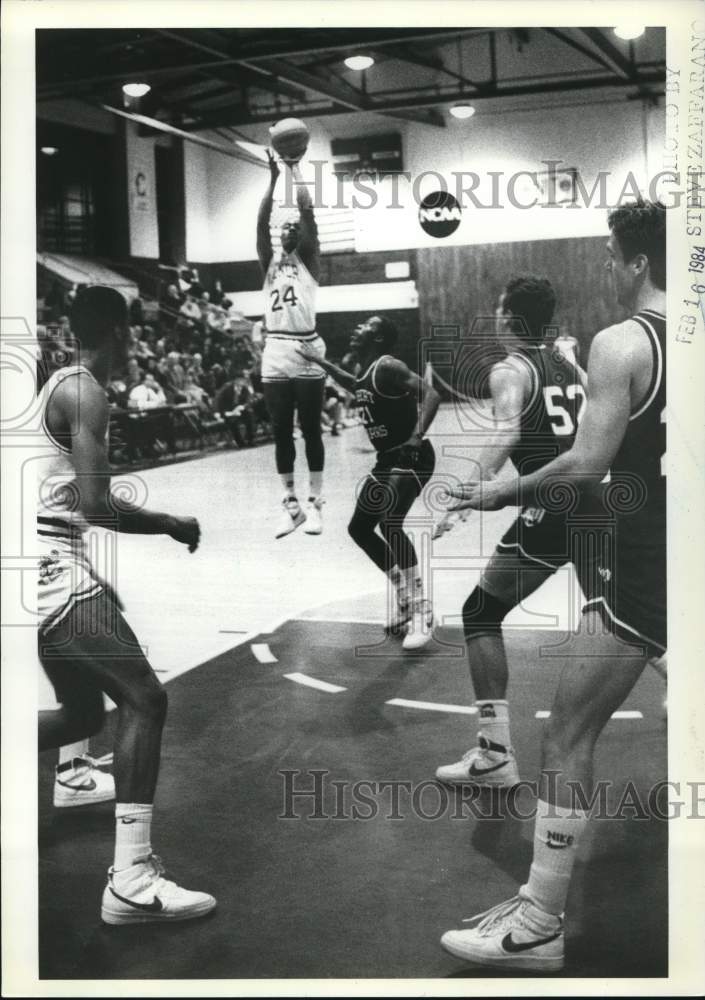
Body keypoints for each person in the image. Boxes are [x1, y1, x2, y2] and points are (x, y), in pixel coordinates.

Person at [439, 200, 666, 970]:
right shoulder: (614, 354)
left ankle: (537, 916)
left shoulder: (619, 343)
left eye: (611, 253)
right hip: (658, 544)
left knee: (564, 727)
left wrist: (489, 490)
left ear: (635, 262)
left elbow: (581, 459)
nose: (606, 264)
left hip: (623, 549)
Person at [37, 285, 216, 924]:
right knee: (145, 698)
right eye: (133, 333)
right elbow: (95, 504)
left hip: (41, 563)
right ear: (122, 332)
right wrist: (170, 520)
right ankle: (132, 882)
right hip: (49, 568)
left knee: (81, 710)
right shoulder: (87, 390)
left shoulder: (54, 382)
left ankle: (74, 777)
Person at [434, 276, 587, 788]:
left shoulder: (509, 368)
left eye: (498, 310)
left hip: (550, 506)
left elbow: (508, 430)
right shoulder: (569, 363)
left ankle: (495, 756)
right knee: (621, 616)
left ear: (507, 319)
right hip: (596, 501)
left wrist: (467, 494)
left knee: (480, 611)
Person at [299, 316, 440, 649]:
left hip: (412, 456)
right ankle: (404, 598)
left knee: (391, 522)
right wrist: (319, 361)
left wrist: (416, 437)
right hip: (387, 460)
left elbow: (432, 394)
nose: (356, 329)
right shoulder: (367, 373)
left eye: (365, 326)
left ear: (377, 339)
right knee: (359, 528)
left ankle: (423, 608)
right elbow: (354, 384)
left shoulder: (388, 365)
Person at [257, 149, 326, 538]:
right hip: (276, 348)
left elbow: (308, 211)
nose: (290, 231)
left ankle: (316, 503)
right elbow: (260, 222)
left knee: (312, 429)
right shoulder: (267, 261)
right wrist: (271, 180)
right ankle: (291, 504)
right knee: (281, 430)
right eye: (285, 228)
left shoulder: (310, 262)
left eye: (295, 228)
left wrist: (294, 168)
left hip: (307, 348)